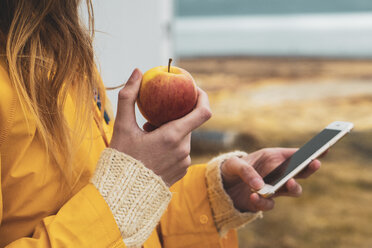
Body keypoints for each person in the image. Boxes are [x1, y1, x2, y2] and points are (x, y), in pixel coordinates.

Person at [0, 1, 321, 247]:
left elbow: (124, 227)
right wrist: (124, 193)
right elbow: (113, 212)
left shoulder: (61, 61)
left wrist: (215, 194)